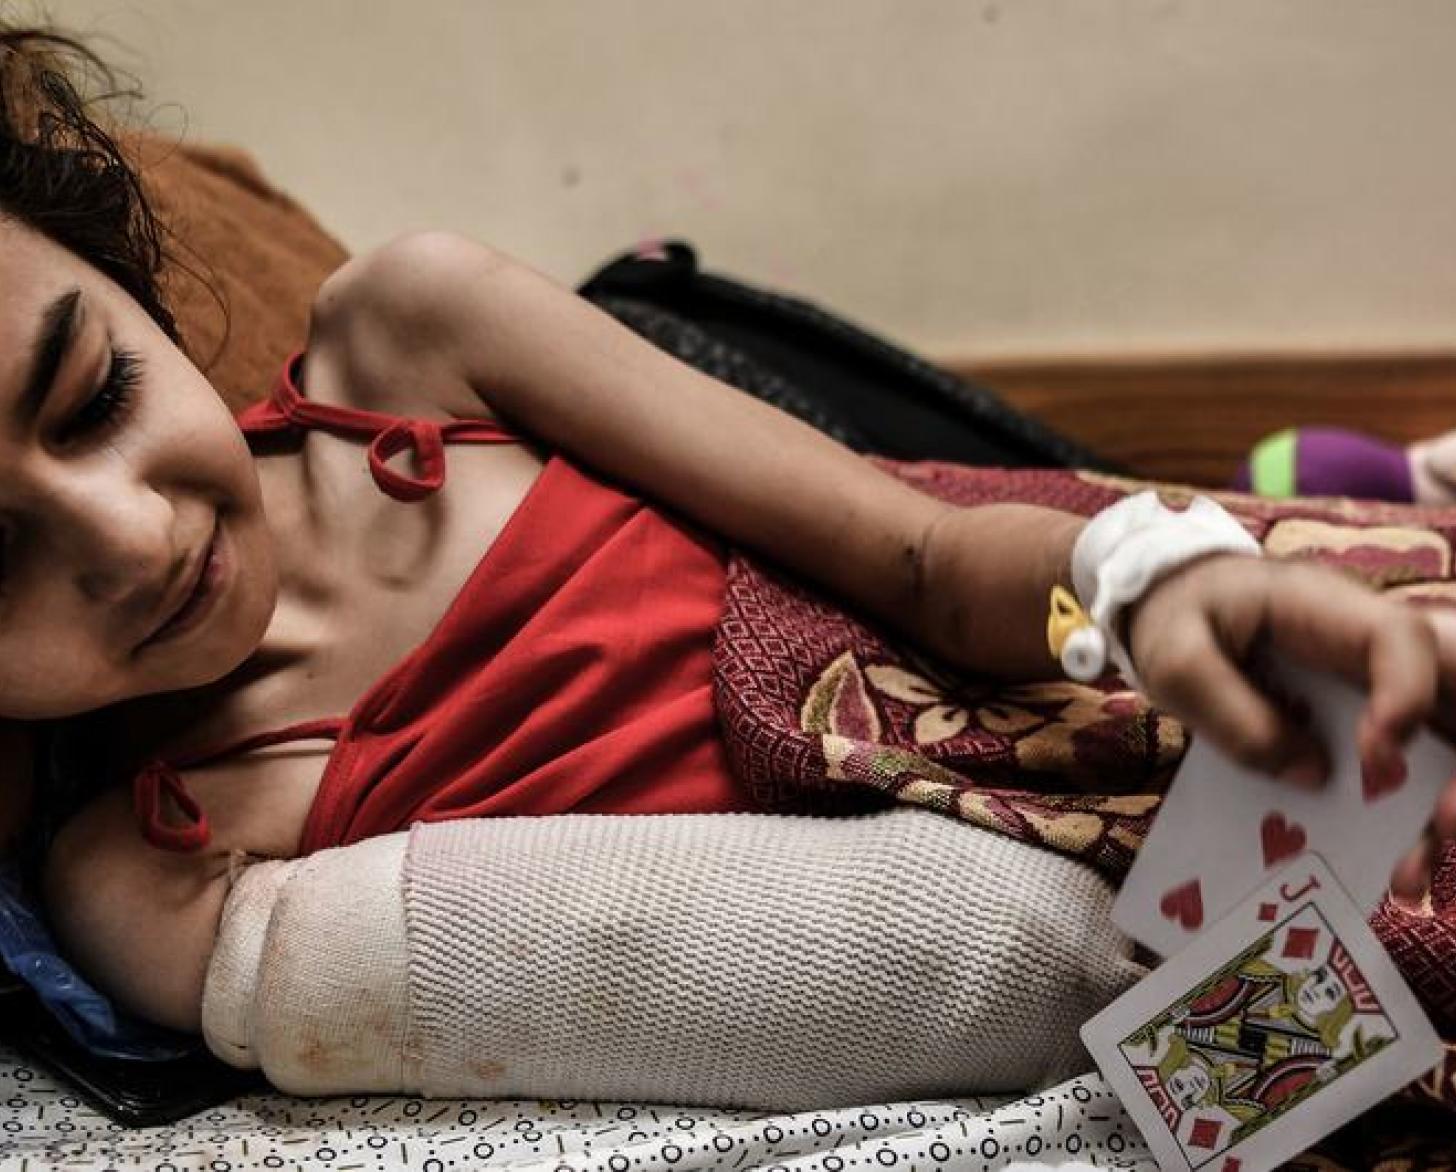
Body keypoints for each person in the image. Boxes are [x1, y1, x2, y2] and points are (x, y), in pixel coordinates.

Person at [1, 27, 1454, 1047]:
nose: (128, 538)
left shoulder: (416, 331)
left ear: (137, 290)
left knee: (1393, 650)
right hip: (1081, 954)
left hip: (1089, 662)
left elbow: (926, 561)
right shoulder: (142, 879)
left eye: (93, 393)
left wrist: (1154, 582)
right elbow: (887, 1016)